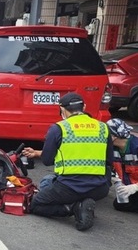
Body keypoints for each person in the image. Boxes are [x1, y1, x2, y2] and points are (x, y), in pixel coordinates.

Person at [22, 92, 113, 231]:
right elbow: (109, 160)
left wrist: (39, 153)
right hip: (99, 188)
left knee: (34, 204)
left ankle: (73, 207)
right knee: (48, 180)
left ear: (62, 109)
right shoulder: (103, 127)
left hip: (69, 187)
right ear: (84, 107)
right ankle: (83, 202)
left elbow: (47, 160)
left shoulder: (59, 128)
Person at [106, 118, 138, 212]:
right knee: (120, 204)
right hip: (131, 186)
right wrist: (115, 179)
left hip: (134, 186)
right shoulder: (114, 149)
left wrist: (135, 187)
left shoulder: (136, 147)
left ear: (114, 136)